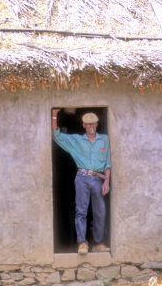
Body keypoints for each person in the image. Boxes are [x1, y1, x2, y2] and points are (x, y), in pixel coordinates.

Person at [52, 109, 111, 254]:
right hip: (82, 178)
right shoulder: (77, 141)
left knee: (100, 211)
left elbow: (108, 163)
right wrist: (54, 115)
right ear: (83, 125)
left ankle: (98, 243)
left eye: (93, 124)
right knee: (81, 211)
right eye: (88, 124)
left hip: (98, 179)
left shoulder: (104, 139)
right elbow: (57, 136)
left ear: (97, 124)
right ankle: (82, 244)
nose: (91, 127)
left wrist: (106, 182)